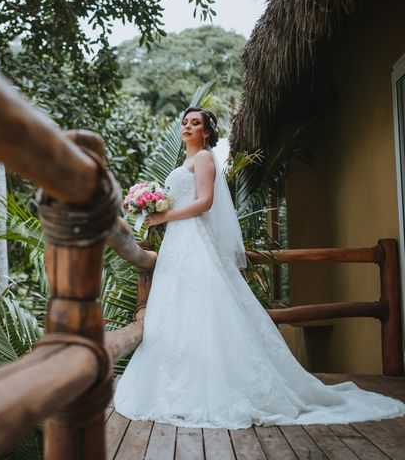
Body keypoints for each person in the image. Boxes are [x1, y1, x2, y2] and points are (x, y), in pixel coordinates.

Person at [112, 106, 405, 429]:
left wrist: (163, 216)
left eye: (195, 123)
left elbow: (205, 203)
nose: (187, 127)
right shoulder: (185, 162)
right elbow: (182, 199)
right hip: (178, 244)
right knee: (178, 311)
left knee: (206, 310)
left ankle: (214, 391)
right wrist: (153, 204)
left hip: (196, 243)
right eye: (185, 122)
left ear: (206, 132)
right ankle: (177, 387)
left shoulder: (205, 159)